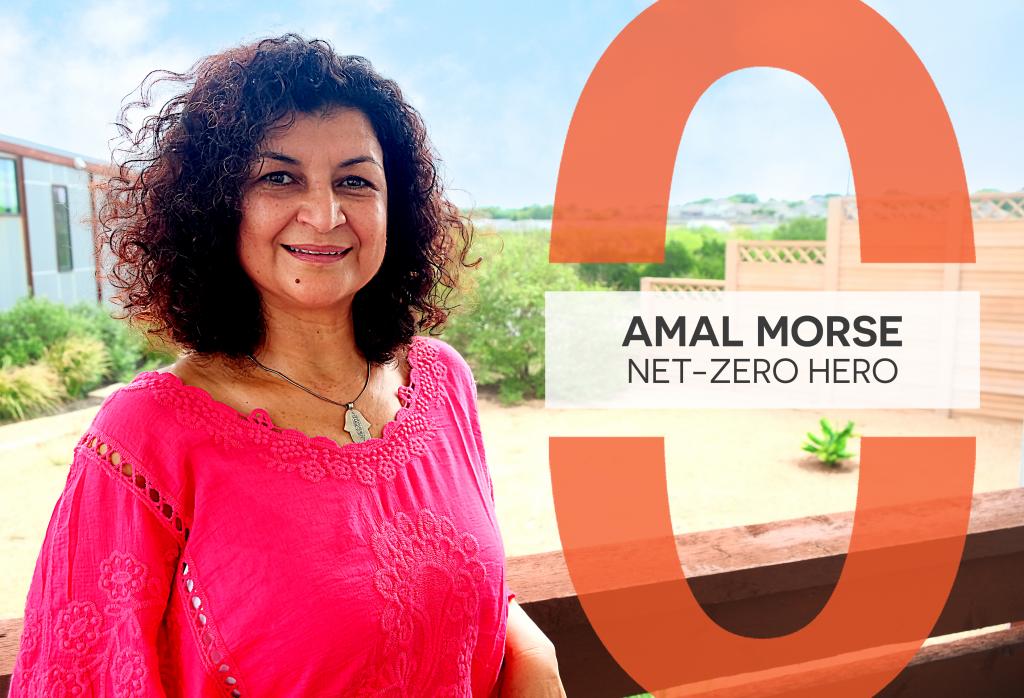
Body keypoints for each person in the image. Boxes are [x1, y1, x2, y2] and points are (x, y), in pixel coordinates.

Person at [9, 34, 565, 697]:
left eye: (355, 181)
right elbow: (80, 678)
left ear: (397, 207)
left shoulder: (442, 384)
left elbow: (466, 589)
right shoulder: (145, 440)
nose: (325, 214)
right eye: (280, 178)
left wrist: (536, 656)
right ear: (219, 206)